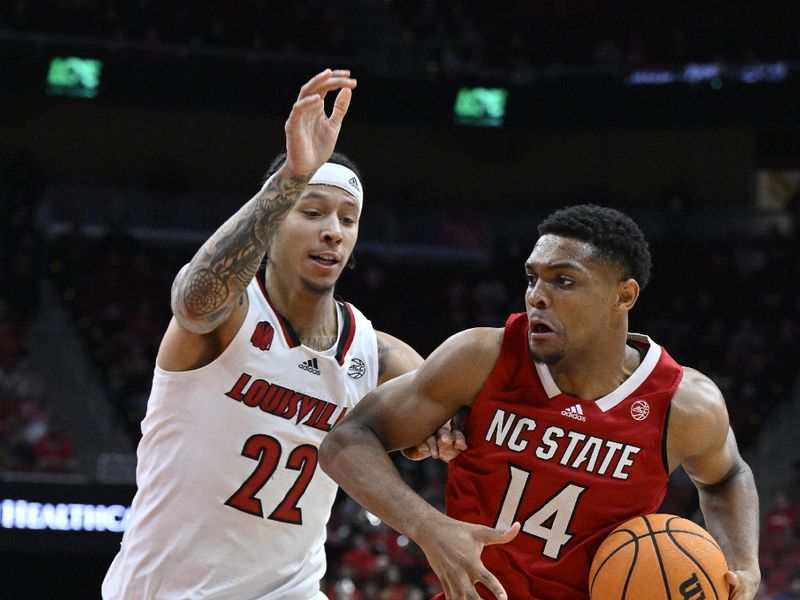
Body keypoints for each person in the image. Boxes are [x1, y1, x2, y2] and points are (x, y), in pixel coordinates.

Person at [102, 69, 462, 600]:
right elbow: (191, 302)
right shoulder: (226, 316)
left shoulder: (377, 354)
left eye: (347, 219)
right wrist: (292, 175)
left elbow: (450, 417)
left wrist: (440, 433)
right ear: (274, 219)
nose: (332, 231)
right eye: (312, 211)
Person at [320, 204, 761, 600]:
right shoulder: (481, 358)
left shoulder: (683, 405)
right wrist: (428, 526)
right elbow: (346, 439)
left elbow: (728, 476)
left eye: (564, 280)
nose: (536, 296)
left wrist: (744, 563)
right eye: (533, 278)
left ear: (623, 296)